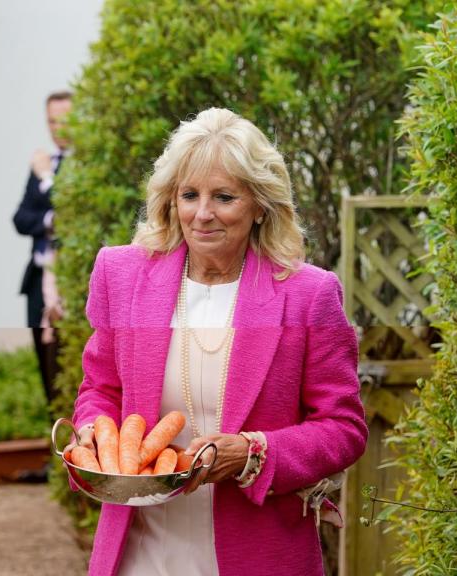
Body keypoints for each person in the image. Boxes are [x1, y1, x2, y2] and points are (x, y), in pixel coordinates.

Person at [71, 108, 367, 576]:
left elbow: (343, 427)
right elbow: (100, 389)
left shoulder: (309, 294)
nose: (202, 214)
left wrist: (254, 452)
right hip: (140, 549)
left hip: (259, 550)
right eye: (190, 195)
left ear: (259, 205)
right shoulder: (121, 274)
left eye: (224, 197)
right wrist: (93, 433)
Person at [13, 90, 72, 404]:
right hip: (38, 279)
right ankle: (55, 443)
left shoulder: (86, 166)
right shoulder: (44, 163)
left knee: (71, 369)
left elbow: (74, 212)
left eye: (64, 120)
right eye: (51, 121)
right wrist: (50, 220)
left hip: (72, 284)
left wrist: (47, 178)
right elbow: (21, 218)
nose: (57, 128)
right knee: (46, 368)